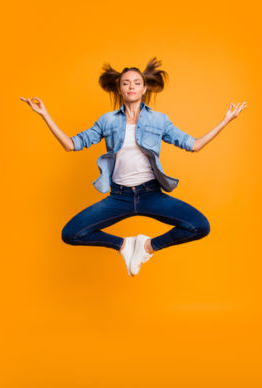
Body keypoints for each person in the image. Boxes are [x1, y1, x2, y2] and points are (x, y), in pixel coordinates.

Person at [20, 57, 248, 277]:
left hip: (151, 194)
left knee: (200, 226)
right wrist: (45, 115)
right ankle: (126, 245)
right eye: (126, 82)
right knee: (71, 233)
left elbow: (194, 145)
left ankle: (146, 247)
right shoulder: (107, 120)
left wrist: (225, 121)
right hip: (119, 197)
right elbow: (71, 144)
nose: (131, 86)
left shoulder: (159, 120)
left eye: (137, 83)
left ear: (144, 89)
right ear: (119, 89)